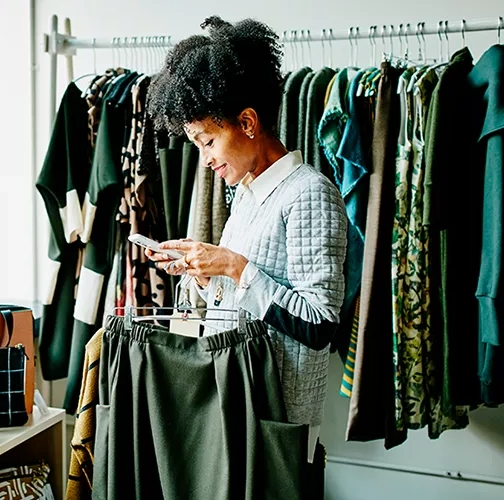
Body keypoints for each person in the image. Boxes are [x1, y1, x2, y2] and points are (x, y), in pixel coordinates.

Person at [145, 15, 348, 496]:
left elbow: (319, 325)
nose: (206, 159)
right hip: (236, 411)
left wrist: (234, 266)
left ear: (249, 122)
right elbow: (241, 298)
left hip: (279, 422)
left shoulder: (309, 195)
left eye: (209, 141)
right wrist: (201, 274)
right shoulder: (249, 195)